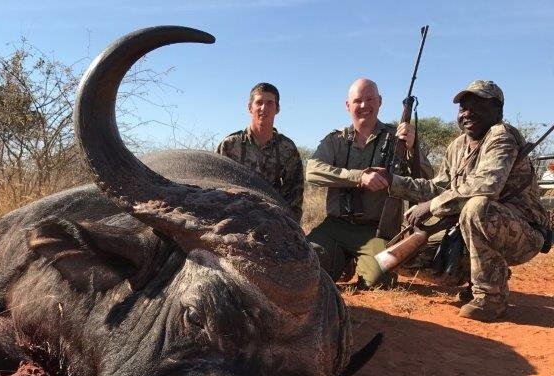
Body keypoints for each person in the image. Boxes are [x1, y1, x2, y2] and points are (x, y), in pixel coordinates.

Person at [377, 80, 551, 321]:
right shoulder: (457, 145)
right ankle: (485, 274)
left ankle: (491, 297)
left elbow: (486, 186)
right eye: (463, 108)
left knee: (477, 207)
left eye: (478, 106)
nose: (467, 113)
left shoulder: (501, 136)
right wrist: (392, 181)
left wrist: (430, 207)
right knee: (402, 259)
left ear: (498, 111)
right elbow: (438, 187)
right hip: (468, 228)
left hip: (523, 234)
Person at [305, 78, 433, 288]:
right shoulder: (334, 139)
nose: (364, 105)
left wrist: (412, 148)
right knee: (307, 269)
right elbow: (313, 171)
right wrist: (359, 178)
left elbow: (427, 180)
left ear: (380, 101)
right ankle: (343, 261)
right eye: (358, 101)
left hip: (375, 230)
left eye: (370, 99)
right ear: (348, 105)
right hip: (335, 226)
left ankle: (358, 260)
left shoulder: (397, 137)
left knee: (379, 281)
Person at [216, 82, 304, 223]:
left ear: (277, 109)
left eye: (270, 103)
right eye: (259, 102)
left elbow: (295, 196)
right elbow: (215, 188)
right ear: (250, 108)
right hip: (233, 218)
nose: (264, 108)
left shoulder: (287, 148)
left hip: (273, 221)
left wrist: (289, 227)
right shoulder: (229, 144)